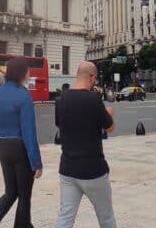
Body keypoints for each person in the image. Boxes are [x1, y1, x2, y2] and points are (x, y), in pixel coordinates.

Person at [0, 58, 42, 228]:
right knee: (24, 193)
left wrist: (2, 139)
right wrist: (36, 162)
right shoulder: (24, 95)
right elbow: (29, 132)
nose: (30, 73)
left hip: (3, 147)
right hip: (20, 148)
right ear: (21, 72)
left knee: (10, 192)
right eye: (28, 70)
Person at [55, 61, 117, 228]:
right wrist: (109, 113)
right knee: (106, 217)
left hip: (67, 169)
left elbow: (61, 125)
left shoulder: (60, 99)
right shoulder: (94, 99)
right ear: (92, 78)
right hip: (93, 170)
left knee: (65, 216)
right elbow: (110, 128)